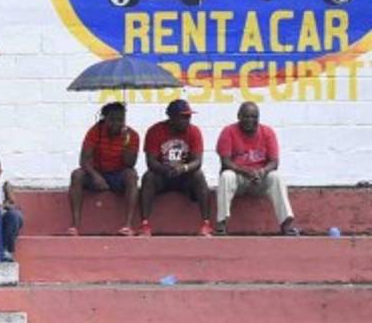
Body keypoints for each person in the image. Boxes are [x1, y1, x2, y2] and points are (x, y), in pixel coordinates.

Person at [216, 101, 297, 237]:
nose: (250, 120)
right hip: (239, 177)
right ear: (239, 116)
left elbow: (274, 162)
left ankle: (285, 223)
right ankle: (222, 223)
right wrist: (245, 172)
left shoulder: (267, 132)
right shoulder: (228, 132)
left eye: (254, 117)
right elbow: (225, 162)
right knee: (226, 175)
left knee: (276, 177)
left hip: (259, 178)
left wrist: (262, 172)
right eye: (246, 116)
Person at [140, 99, 211, 237]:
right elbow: (151, 162)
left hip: (185, 176)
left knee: (199, 175)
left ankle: (206, 224)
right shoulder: (155, 131)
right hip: (163, 175)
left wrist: (183, 168)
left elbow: (197, 161)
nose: (187, 120)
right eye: (183, 117)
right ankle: (144, 224)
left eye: (188, 117)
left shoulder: (194, 131)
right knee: (148, 177)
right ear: (171, 117)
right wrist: (166, 169)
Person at [67, 102, 139, 236]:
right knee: (77, 175)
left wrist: (126, 143)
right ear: (104, 119)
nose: (116, 123)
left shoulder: (131, 135)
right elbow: (84, 160)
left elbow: (130, 163)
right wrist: (95, 176)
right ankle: (75, 225)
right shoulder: (95, 131)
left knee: (132, 175)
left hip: (119, 174)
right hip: (97, 172)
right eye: (112, 119)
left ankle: (128, 225)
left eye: (120, 120)